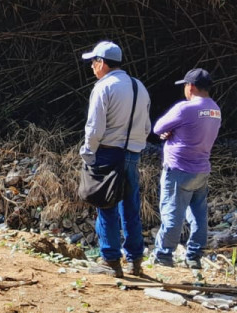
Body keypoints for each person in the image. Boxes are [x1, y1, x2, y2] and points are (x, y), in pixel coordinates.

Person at [80, 40, 152, 277]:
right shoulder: (139, 86)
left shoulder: (103, 87)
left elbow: (94, 127)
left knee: (106, 205)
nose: (91, 66)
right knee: (130, 207)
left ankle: (110, 260)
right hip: (133, 153)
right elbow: (147, 126)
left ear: (102, 63)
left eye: (93, 62)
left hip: (108, 152)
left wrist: (88, 152)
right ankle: (135, 261)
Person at [151, 68, 222, 269]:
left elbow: (158, 128)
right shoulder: (215, 110)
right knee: (198, 215)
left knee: (173, 215)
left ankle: (164, 256)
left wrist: (169, 133)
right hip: (201, 169)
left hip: (179, 169)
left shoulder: (185, 108)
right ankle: (194, 257)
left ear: (190, 86)